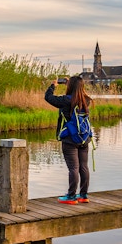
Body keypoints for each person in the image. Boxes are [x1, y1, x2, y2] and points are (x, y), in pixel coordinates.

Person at [44, 75, 93, 204]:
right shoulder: (86, 100)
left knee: (73, 168)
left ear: (70, 86)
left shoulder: (66, 100)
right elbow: (80, 93)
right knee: (83, 167)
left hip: (70, 139)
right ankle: (83, 195)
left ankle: (71, 196)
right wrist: (72, 84)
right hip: (84, 138)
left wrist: (53, 86)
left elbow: (48, 98)